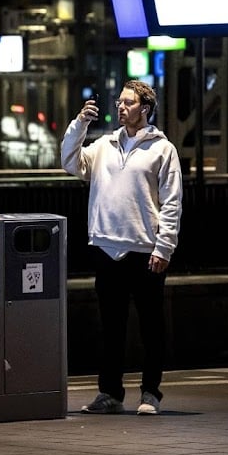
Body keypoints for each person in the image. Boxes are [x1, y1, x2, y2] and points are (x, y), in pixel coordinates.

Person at [60, 79, 183, 416]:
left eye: (128, 102)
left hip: (145, 250)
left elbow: (172, 202)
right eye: (119, 102)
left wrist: (164, 248)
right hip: (106, 248)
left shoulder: (162, 149)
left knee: (151, 327)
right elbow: (70, 162)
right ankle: (110, 394)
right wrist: (80, 124)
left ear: (145, 108)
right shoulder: (103, 145)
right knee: (111, 327)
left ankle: (150, 393)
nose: (120, 107)